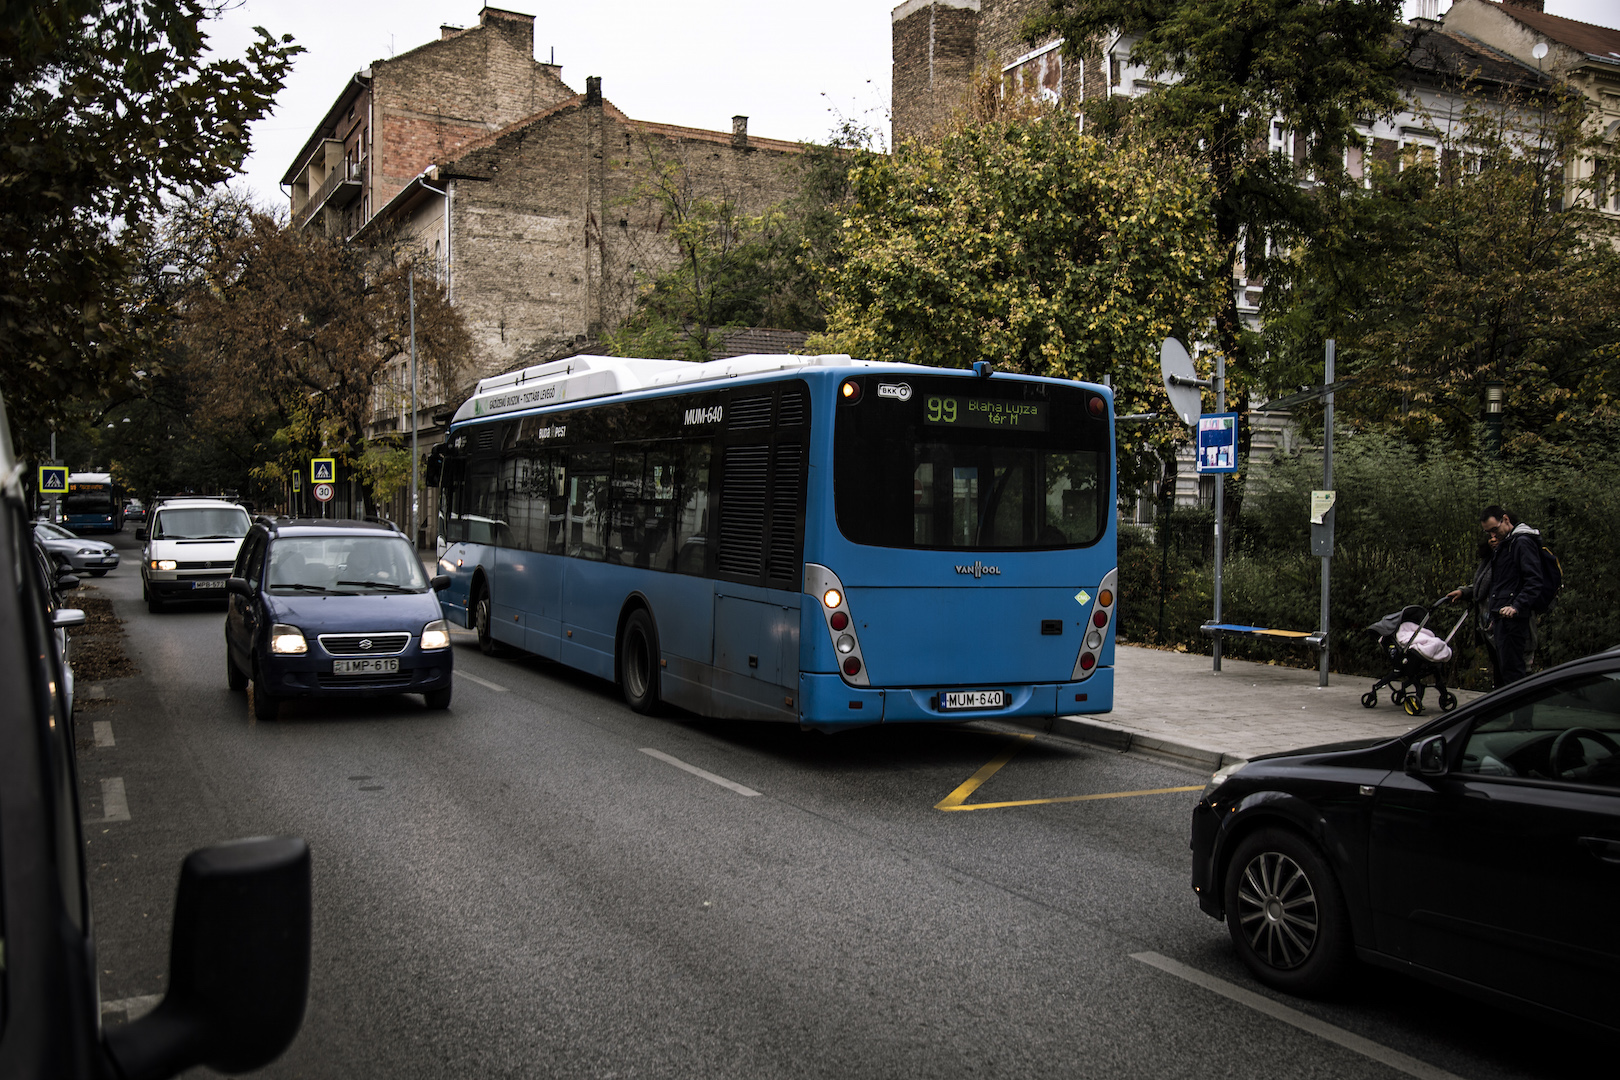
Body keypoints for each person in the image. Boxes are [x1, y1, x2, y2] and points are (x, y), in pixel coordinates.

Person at [1479, 505, 1545, 685]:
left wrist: (1516, 605)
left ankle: (1519, 713)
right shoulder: (1504, 545)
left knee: (1515, 675)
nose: (1493, 536)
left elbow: (1534, 580)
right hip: (1500, 618)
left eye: (1495, 530)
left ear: (1506, 520)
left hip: (1514, 620)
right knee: (1504, 672)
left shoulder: (1522, 542)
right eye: (1488, 533)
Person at [1446, 534, 1499, 686]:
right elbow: (1482, 585)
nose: (1493, 540)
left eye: (1496, 536)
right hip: (1488, 626)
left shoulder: (1506, 559)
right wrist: (1465, 592)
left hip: (1500, 623)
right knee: (1498, 665)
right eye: (1490, 536)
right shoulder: (1489, 560)